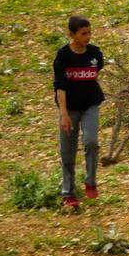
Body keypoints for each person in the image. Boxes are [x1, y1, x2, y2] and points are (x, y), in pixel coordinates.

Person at [53, 14, 105, 210]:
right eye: (83, 33)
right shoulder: (63, 56)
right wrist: (64, 114)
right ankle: (68, 192)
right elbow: (60, 87)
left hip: (91, 104)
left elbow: (96, 71)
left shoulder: (94, 53)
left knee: (91, 141)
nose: (88, 36)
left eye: (90, 32)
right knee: (68, 151)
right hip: (70, 108)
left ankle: (91, 182)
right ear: (71, 34)